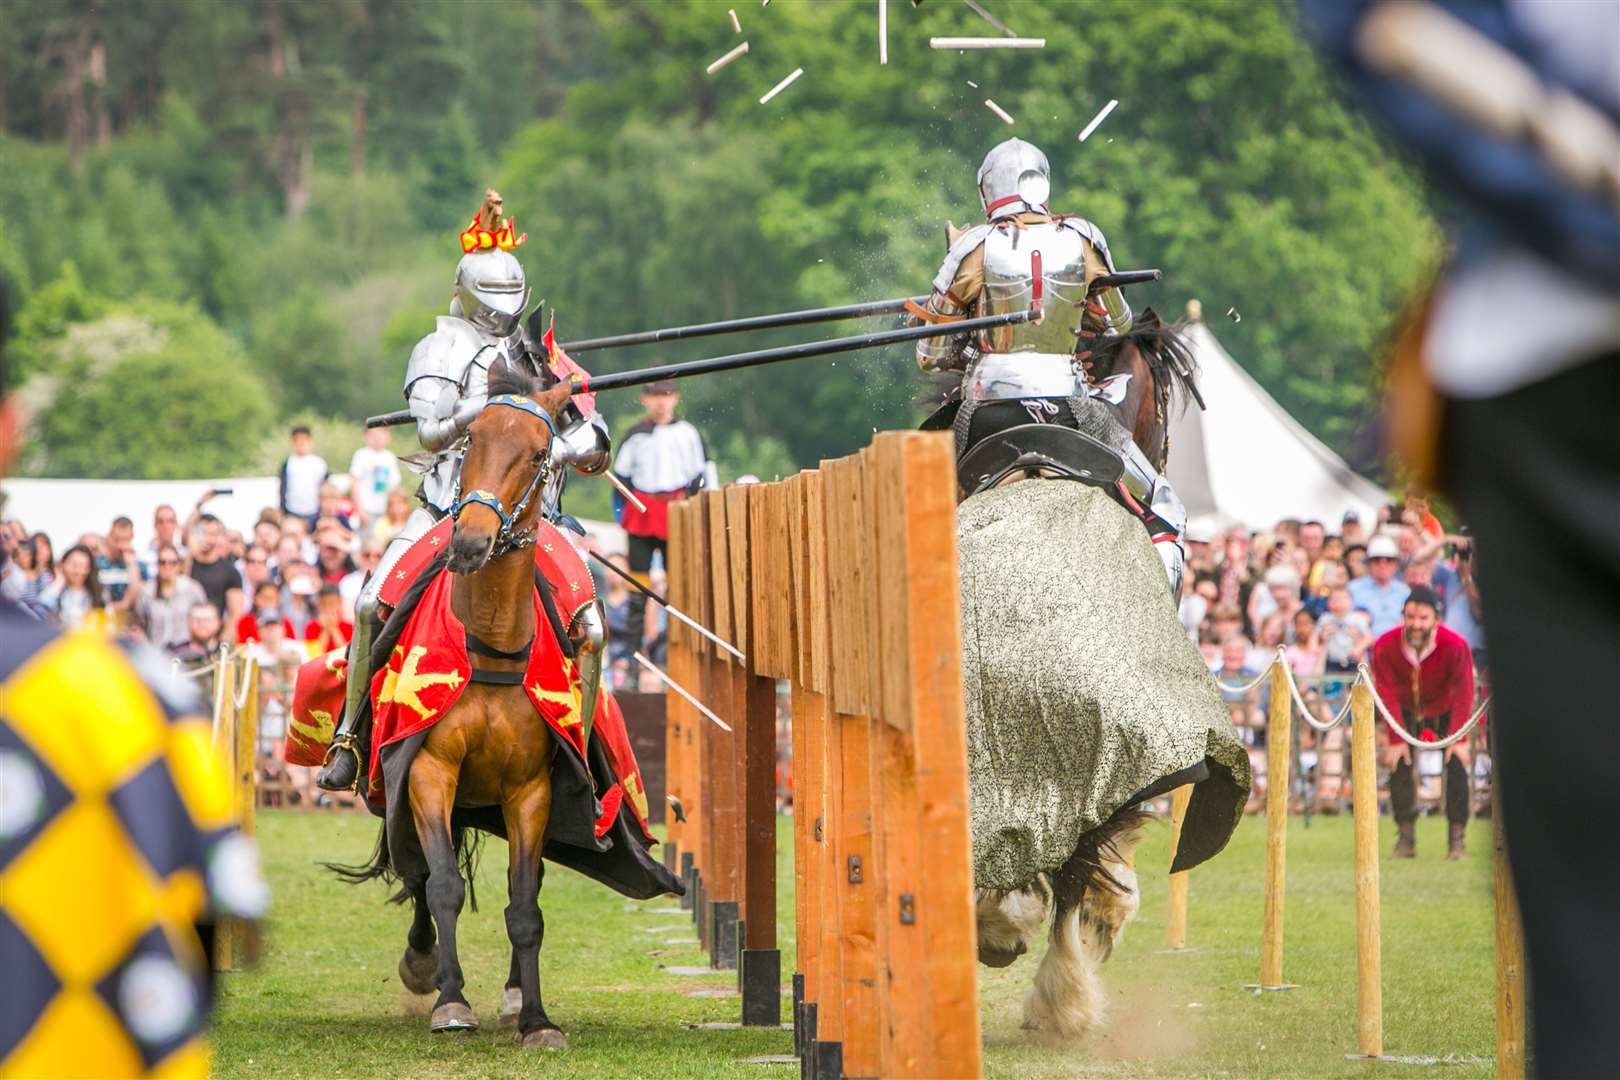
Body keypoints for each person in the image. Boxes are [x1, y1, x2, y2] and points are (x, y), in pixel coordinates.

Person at [316, 190, 613, 792]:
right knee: (371, 604)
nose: (502, 310)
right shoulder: (439, 348)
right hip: (449, 508)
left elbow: (598, 441)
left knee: (595, 628)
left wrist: (553, 445)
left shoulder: (542, 352)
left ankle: (583, 758)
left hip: (534, 516)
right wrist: (494, 405)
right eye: (493, 297)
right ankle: (350, 734)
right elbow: (428, 427)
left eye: (511, 298)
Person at [908, 136, 1188, 595]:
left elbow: (929, 356)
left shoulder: (972, 247)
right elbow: (1118, 323)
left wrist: (967, 337)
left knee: (907, 508)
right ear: (1043, 185)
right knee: (1164, 504)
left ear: (988, 193)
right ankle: (1162, 629)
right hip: (1068, 407)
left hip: (986, 409)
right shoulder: (1083, 236)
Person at [609, 379, 716, 651]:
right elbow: (620, 479)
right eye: (655, 395)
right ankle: (630, 656)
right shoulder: (635, 434)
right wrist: (621, 516)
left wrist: (699, 513)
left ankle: (676, 651)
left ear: (675, 398)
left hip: (677, 512)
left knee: (680, 585)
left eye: (665, 395)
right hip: (642, 512)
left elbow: (703, 476)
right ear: (644, 398)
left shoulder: (689, 433)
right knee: (637, 588)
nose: (660, 401)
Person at [1369, 587, 1475, 860]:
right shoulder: (1385, 645)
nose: (1416, 624)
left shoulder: (1455, 645)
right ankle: (1406, 838)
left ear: (1436, 620)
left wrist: (1459, 737)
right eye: (1411, 617)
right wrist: (1395, 738)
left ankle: (1457, 839)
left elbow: (1465, 690)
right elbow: (1386, 690)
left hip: (1446, 710)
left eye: (1423, 618)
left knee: (1457, 765)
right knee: (1399, 765)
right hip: (1403, 712)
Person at [136, 543, 209, 650]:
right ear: (157, 565)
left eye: (172, 562)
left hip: (186, 652)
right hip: (157, 652)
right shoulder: (147, 591)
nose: (167, 566)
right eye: (163, 562)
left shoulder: (192, 588)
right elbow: (140, 623)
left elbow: (204, 618)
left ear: (179, 565)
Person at [185, 512, 244, 623]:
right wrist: (190, 554)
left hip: (216, 635)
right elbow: (180, 588)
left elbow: (236, 614)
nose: (207, 539)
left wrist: (224, 639)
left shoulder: (230, 571)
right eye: (203, 533)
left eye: (212, 534)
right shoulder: (182, 565)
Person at [1346, 534, 1409, 636]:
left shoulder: (1404, 591)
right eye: (1377, 560)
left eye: (1388, 560)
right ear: (1368, 563)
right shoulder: (1352, 589)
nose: (1382, 565)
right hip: (1361, 647)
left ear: (1396, 564)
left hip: (1396, 646)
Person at [38, 543, 105, 631]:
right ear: (63, 565)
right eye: (74, 565)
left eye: (82, 566)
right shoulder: (56, 591)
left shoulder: (98, 593)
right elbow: (40, 609)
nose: (77, 571)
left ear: (89, 569)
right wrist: (59, 582)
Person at [348, 425, 402, 526]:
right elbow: (354, 483)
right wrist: (359, 509)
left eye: (382, 434)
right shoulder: (361, 455)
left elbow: (395, 485)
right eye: (374, 435)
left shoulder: (389, 457)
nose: (378, 438)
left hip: (385, 511)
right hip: (366, 509)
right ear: (366, 436)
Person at [278, 424, 328, 529]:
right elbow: (283, 488)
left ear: (310, 442)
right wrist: (282, 508)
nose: (301, 444)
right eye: (297, 441)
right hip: (292, 510)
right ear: (292, 442)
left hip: (315, 511)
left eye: (304, 441)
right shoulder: (288, 464)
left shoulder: (319, 463)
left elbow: (325, 487)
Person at [304, 583, 353, 655]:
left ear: (339, 602)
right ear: (319, 604)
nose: (328, 608)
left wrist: (334, 629)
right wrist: (325, 630)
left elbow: (347, 654)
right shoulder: (311, 626)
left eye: (332, 603)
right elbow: (314, 654)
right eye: (324, 604)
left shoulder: (349, 626)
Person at [140, 503, 186, 578]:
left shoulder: (184, 555)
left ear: (176, 524)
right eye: (161, 522)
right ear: (155, 525)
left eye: (170, 521)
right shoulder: (144, 559)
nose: (165, 526)